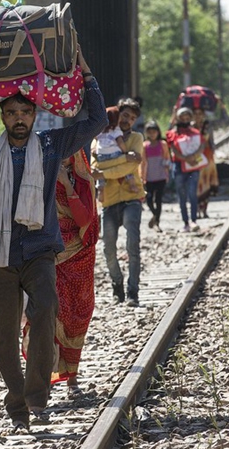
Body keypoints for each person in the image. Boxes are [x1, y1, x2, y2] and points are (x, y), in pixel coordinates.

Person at [0, 49, 107, 430]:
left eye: (25, 113)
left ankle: (37, 395)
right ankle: (17, 404)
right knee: (5, 331)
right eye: (11, 113)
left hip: (40, 249)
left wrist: (86, 73)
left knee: (44, 313)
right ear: (3, 117)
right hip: (0, 254)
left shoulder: (49, 146)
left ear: (34, 115)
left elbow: (98, 120)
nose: (19, 119)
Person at [51, 149, 100, 392]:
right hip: (51, 255)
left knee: (78, 315)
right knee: (52, 312)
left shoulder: (83, 181)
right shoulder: (40, 178)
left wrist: (66, 186)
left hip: (80, 255)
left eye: (67, 152)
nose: (61, 157)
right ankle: (46, 375)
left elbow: (84, 220)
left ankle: (72, 374)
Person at [90, 97, 145, 307]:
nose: (127, 121)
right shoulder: (100, 137)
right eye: (125, 116)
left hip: (132, 198)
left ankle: (133, 292)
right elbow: (95, 168)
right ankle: (117, 285)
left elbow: (129, 169)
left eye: (132, 118)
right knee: (108, 250)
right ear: (117, 114)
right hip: (109, 200)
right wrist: (125, 157)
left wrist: (110, 168)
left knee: (133, 246)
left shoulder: (136, 138)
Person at [166, 107, 205, 233]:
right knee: (181, 195)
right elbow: (173, 148)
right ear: (178, 117)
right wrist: (184, 158)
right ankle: (185, 222)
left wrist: (193, 157)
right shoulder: (173, 133)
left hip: (193, 166)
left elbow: (202, 145)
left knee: (192, 193)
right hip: (179, 166)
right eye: (182, 116)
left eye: (187, 116)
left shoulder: (195, 131)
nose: (185, 119)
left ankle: (194, 220)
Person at [93, 106, 138, 203]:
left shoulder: (101, 130)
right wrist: (125, 153)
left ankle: (100, 189)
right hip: (114, 154)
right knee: (125, 166)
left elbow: (96, 140)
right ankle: (132, 184)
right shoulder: (116, 130)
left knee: (99, 173)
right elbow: (120, 142)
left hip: (101, 155)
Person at [141, 120, 171, 232]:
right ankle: (154, 215)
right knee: (149, 199)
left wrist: (167, 171)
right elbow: (143, 162)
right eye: (150, 132)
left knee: (158, 199)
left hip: (161, 176)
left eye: (154, 131)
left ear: (158, 132)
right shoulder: (145, 146)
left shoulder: (162, 144)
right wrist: (142, 176)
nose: (152, 134)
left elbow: (167, 158)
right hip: (149, 177)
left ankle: (157, 222)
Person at [193, 108, 218, 219]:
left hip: (207, 157)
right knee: (197, 184)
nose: (198, 116)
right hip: (195, 157)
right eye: (196, 114)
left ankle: (204, 209)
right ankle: (197, 209)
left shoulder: (208, 127)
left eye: (200, 113)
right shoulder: (190, 127)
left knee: (207, 183)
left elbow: (212, 142)